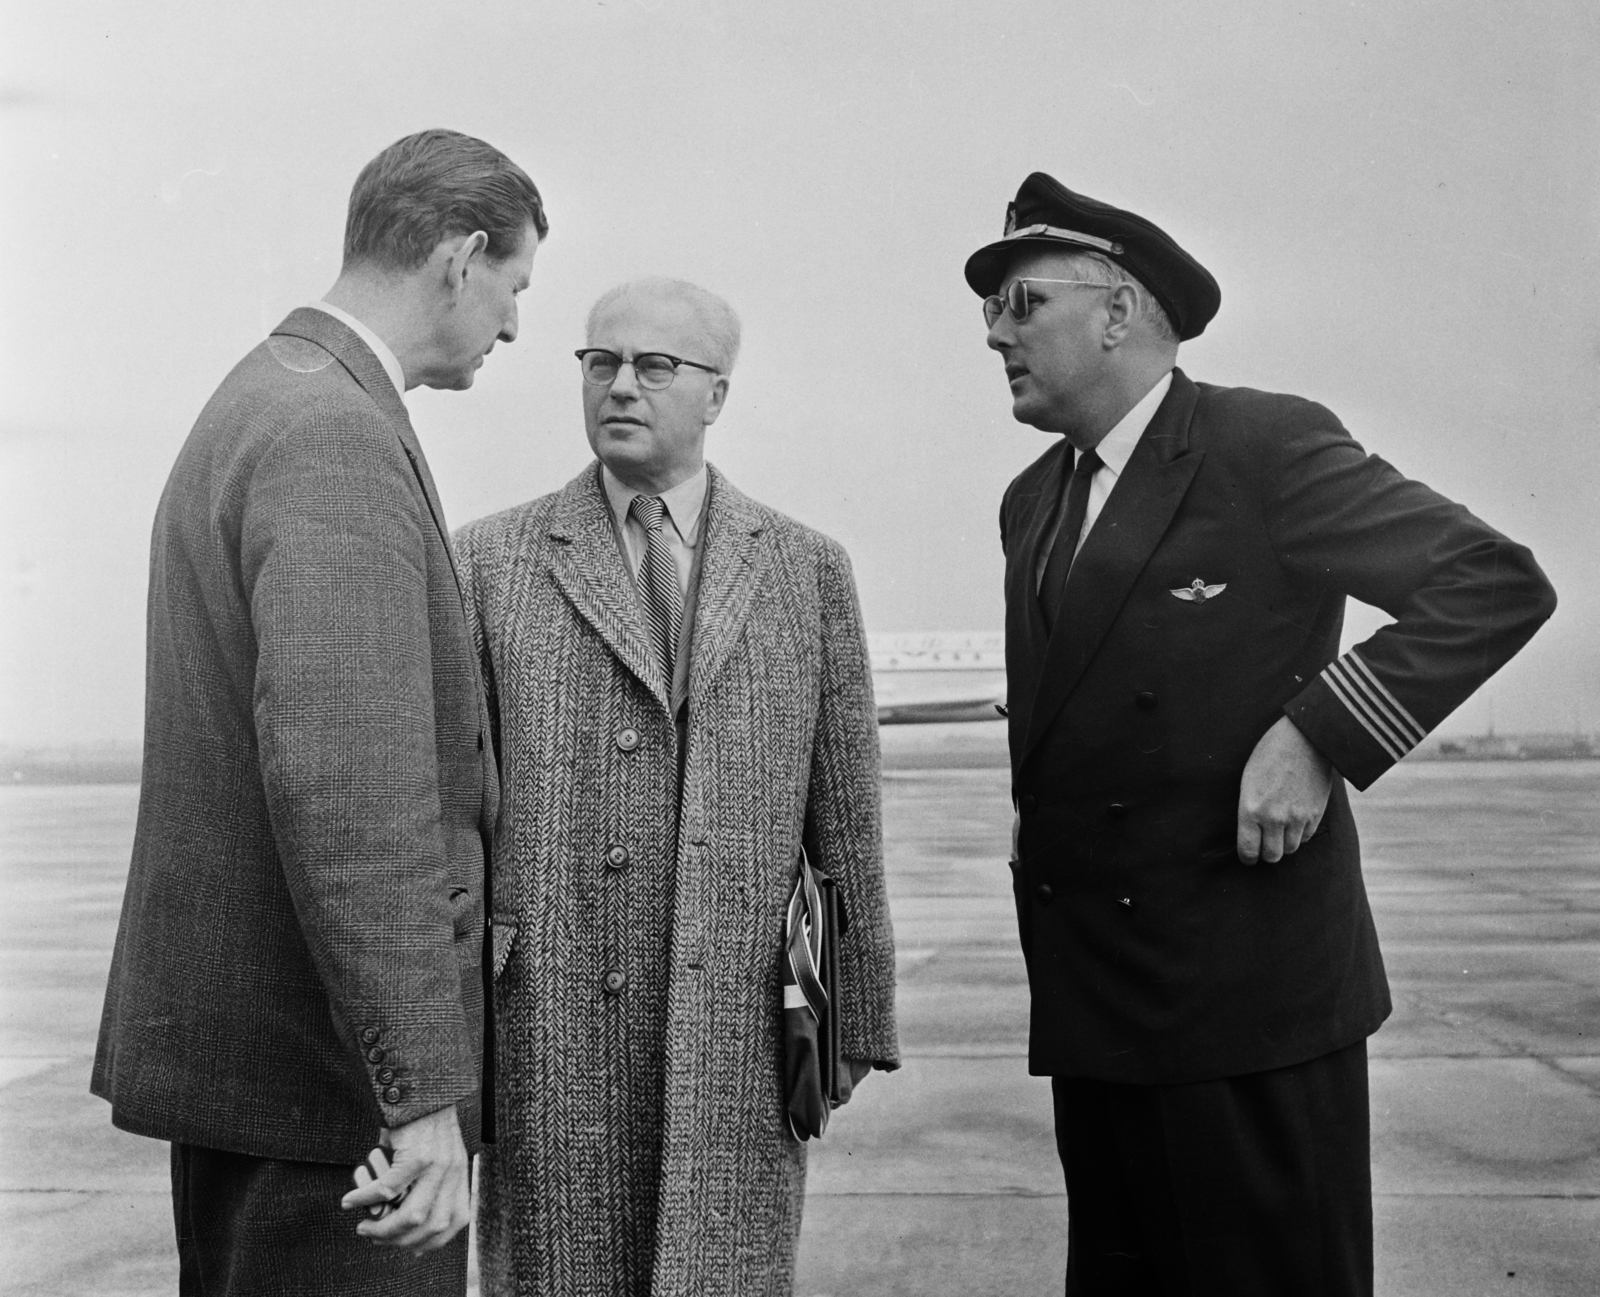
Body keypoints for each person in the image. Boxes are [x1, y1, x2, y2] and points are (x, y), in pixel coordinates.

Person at [968, 172, 1556, 1295]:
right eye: (990, 313)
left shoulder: (1256, 443)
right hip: (1097, 1002)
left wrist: (1319, 734)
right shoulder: (1033, 499)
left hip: (1242, 1005)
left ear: (1118, 311)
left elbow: (1490, 581)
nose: (996, 332)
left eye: (1022, 303)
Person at [91, 128, 548, 1295]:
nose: (511, 327)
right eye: (513, 288)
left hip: (262, 1080)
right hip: (330, 1104)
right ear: (461, 255)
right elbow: (354, 798)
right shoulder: (336, 437)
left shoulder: (268, 394)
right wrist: (425, 1101)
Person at [454, 276, 900, 1296]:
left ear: (716, 394)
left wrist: (859, 1012)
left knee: (723, 1271)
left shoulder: (803, 567)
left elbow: (847, 809)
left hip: (738, 1017)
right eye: (598, 361)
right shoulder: (489, 559)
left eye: (654, 366)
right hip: (549, 1015)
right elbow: (453, 815)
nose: (620, 385)